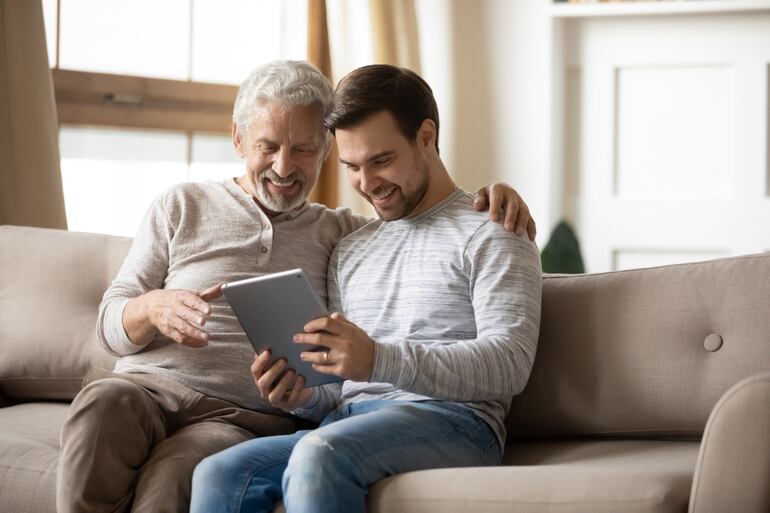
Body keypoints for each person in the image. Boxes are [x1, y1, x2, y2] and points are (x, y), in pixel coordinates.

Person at [56, 60, 535, 513]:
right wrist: (300, 396)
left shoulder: (490, 227)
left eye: (381, 160)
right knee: (218, 474)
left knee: (315, 453)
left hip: (452, 420)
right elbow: (338, 388)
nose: (367, 183)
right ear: (239, 139)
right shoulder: (353, 246)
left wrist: (376, 359)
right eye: (352, 166)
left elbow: (509, 364)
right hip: (340, 418)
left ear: (426, 137)